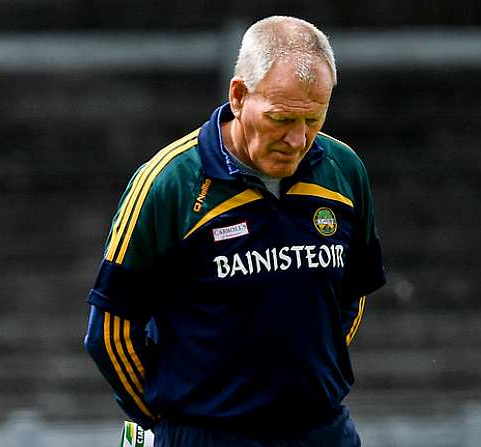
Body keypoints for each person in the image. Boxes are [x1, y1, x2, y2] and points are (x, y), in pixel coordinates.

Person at [84, 15, 386, 447]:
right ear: (240, 95)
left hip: (322, 431)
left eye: (313, 120)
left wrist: (308, 376)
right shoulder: (168, 183)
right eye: (282, 120)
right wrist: (168, 418)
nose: (299, 140)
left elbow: (350, 295)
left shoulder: (344, 171)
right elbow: (109, 331)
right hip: (204, 435)